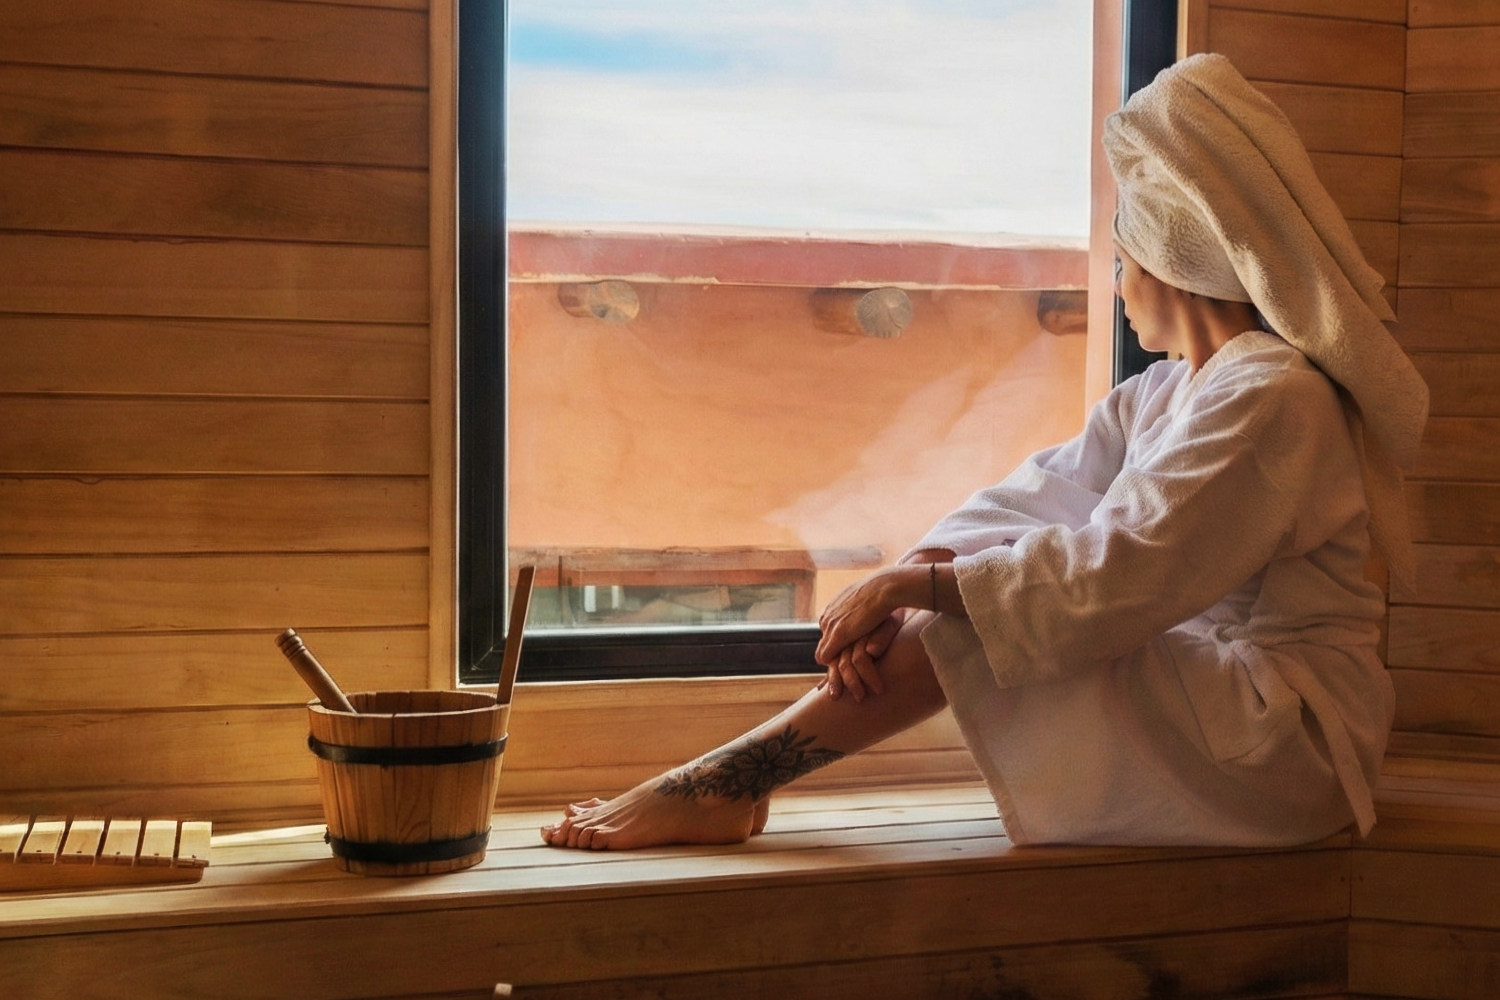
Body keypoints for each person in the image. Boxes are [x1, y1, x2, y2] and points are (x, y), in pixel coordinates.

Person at [540, 53, 1429, 851]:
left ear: (1166, 265)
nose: (1118, 289)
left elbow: (1124, 570)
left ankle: (724, 783)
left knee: (974, 609)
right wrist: (917, 572)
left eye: (1120, 263)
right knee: (967, 593)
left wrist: (920, 590)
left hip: (1286, 737)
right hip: (1215, 708)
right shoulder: (1162, 393)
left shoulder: (1277, 397)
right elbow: (1032, 499)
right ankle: (729, 784)